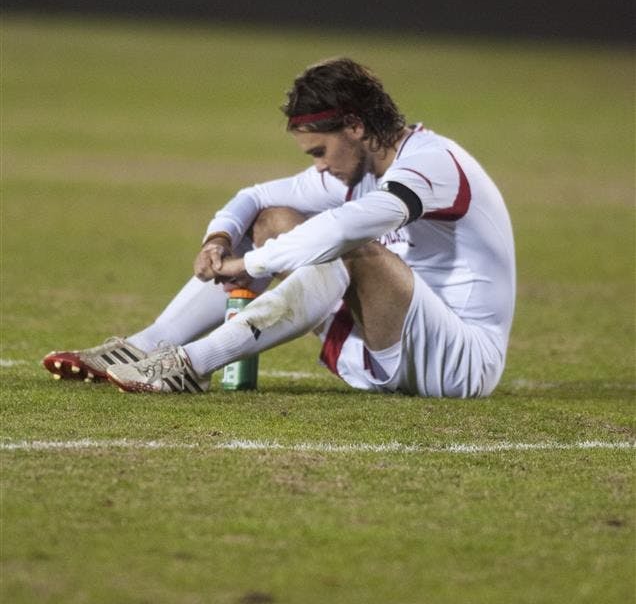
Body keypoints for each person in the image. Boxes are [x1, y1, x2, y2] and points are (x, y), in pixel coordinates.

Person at [43, 58, 515, 398]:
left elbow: (342, 232)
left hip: (459, 365)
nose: (321, 167)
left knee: (351, 245)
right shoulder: (359, 166)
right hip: (388, 344)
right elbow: (256, 197)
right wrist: (220, 237)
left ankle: (191, 365)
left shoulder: (432, 162)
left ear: (353, 125)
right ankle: (146, 345)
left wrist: (249, 263)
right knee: (273, 221)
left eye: (319, 152)